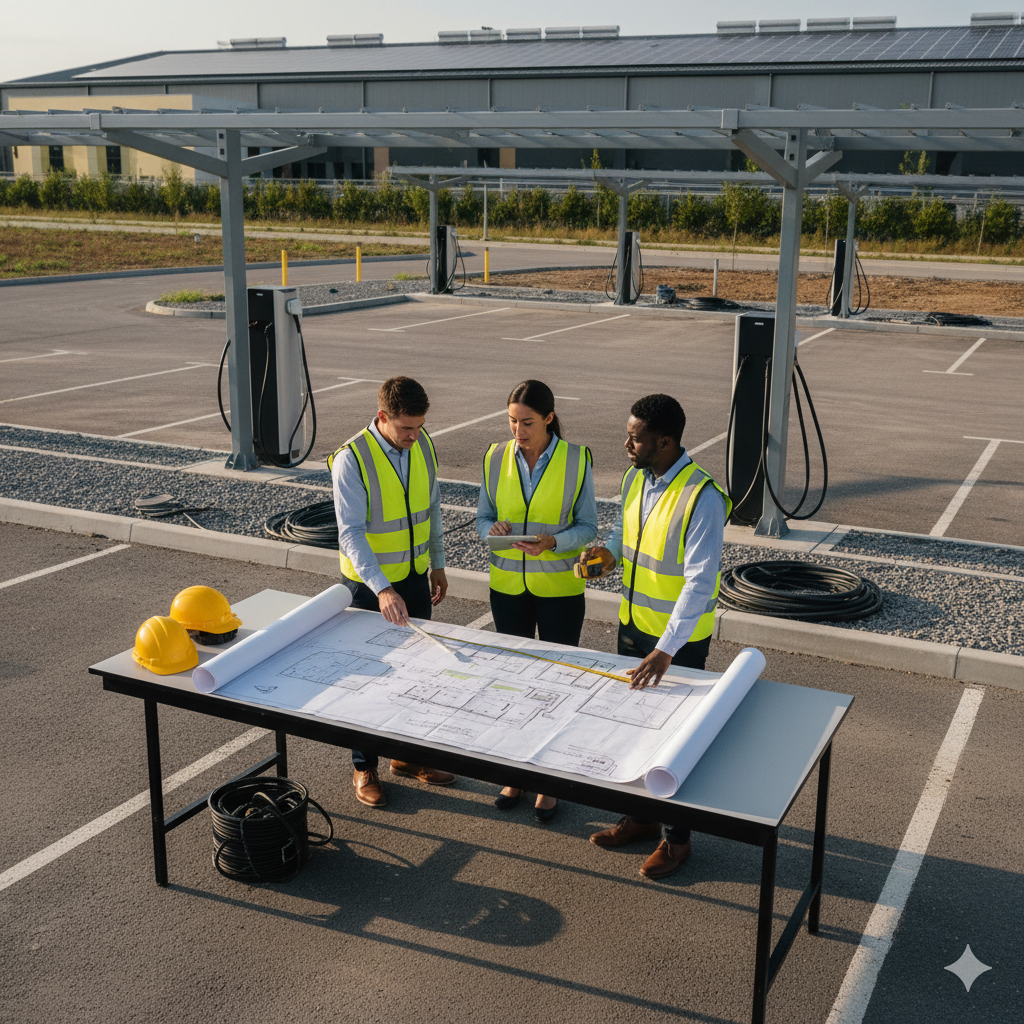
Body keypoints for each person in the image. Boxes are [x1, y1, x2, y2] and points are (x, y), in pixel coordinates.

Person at [581, 393, 732, 879]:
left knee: (674, 740)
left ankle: (676, 840)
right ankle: (642, 819)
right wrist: (607, 556)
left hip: (676, 645)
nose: (627, 444)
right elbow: (629, 542)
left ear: (664, 441)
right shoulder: (635, 479)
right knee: (633, 729)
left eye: (636, 437)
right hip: (633, 628)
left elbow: (700, 581)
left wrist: (666, 650)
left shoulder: (702, 496)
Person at [329, 376, 456, 808]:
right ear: (382, 417)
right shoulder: (352, 459)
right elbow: (351, 535)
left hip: (415, 577)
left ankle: (409, 755)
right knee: (369, 679)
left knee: (419, 673)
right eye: (406, 428)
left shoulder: (422, 445)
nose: (414, 436)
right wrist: (382, 589)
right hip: (368, 588)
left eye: (419, 427)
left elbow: (431, 507)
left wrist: (437, 562)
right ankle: (365, 766)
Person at [476, 380, 598, 823]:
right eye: (511, 421)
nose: (517, 431)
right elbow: (481, 520)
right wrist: (494, 534)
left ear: (548, 418)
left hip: (559, 593)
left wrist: (554, 542)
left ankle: (549, 780)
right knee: (514, 685)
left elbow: (588, 528)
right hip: (507, 590)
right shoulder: (493, 457)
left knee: (556, 687)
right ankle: (516, 772)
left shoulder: (576, 459)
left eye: (526, 422)